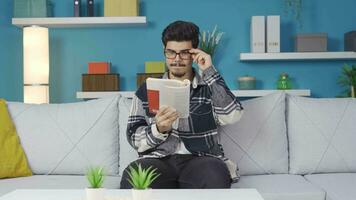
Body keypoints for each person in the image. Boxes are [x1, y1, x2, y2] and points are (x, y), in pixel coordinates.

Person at [120, 20, 243, 189]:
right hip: (158, 160)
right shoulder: (147, 89)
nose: (176, 59)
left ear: (194, 54)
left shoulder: (209, 86)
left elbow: (232, 115)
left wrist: (209, 71)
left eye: (184, 53)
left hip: (201, 159)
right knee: (133, 178)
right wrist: (159, 130)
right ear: (164, 52)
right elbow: (134, 137)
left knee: (216, 176)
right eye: (171, 52)